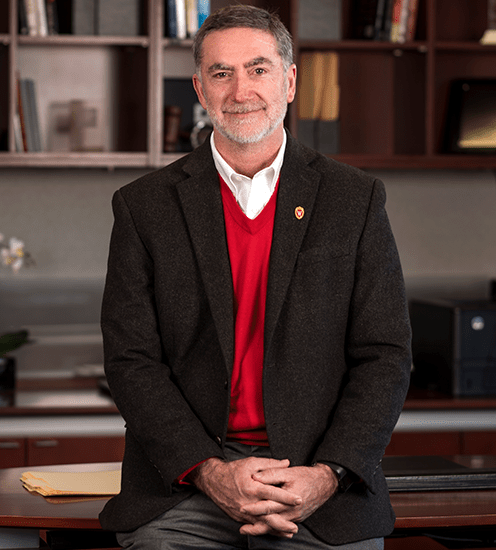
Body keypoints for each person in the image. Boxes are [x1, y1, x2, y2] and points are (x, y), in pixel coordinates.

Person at [99, 5, 412, 549]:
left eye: (259, 69)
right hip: (187, 485)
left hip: (317, 482)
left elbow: (384, 354)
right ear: (200, 88)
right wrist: (209, 471)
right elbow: (131, 360)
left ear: (290, 81)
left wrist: (328, 474)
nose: (240, 89)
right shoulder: (143, 207)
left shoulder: (353, 200)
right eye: (221, 73)